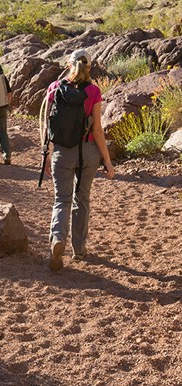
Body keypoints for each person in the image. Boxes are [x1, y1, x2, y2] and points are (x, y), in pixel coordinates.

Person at [44, 49, 115, 271]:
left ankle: (57, 239)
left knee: (61, 200)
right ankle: (79, 250)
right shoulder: (93, 91)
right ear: (89, 67)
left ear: (68, 64)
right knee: (81, 199)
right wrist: (107, 160)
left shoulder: (54, 88)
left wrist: (46, 153)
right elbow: (97, 129)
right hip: (87, 151)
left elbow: (47, 125)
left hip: (62, 152)